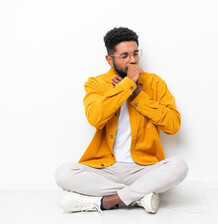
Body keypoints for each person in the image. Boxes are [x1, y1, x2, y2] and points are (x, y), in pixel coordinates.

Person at [55, 27, 188, 214]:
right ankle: (139, 196)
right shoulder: (96, 84)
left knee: (179, 167)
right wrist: (126, 87)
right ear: (110, 60)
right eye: (124, 55)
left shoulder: (154, 83)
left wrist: (138, 96)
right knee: (63, 173)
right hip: (105, 168)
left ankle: (108, 201)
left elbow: (173, 126)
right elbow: (95, 118)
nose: (132, 60)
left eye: (135, 53)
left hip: (144, 168)